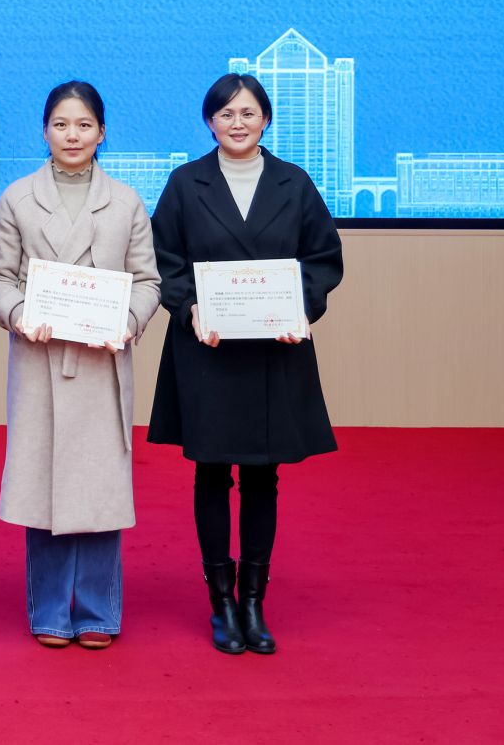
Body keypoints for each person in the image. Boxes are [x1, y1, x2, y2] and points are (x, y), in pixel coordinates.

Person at [148, 73, 344, 655]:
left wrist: (300, 307)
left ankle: (255, 601)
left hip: (271, 351)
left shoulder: (294, 182)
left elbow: (323, 258)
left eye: (248, 112)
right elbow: (163, 260)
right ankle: (222, 603)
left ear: (266, 120)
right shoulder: (185, 183)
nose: (237, 123)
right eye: (226, 113)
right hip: (206, 349)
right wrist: (189, 308)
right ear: (209, 122)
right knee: (211, 473)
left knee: (263, 476)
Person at [0, 81, 161, 650]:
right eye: (61, 124)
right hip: (42, 360)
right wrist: (18, 314)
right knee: (45, 484)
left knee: (101, 489)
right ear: (44, 131)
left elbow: (148, 281)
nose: (72, 135)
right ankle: (52, 611)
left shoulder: (126, 202)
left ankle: (99, 611)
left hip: (102, 363)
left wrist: (127, 321)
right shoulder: (17, 198)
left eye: (84, 125)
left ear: (102, 132)